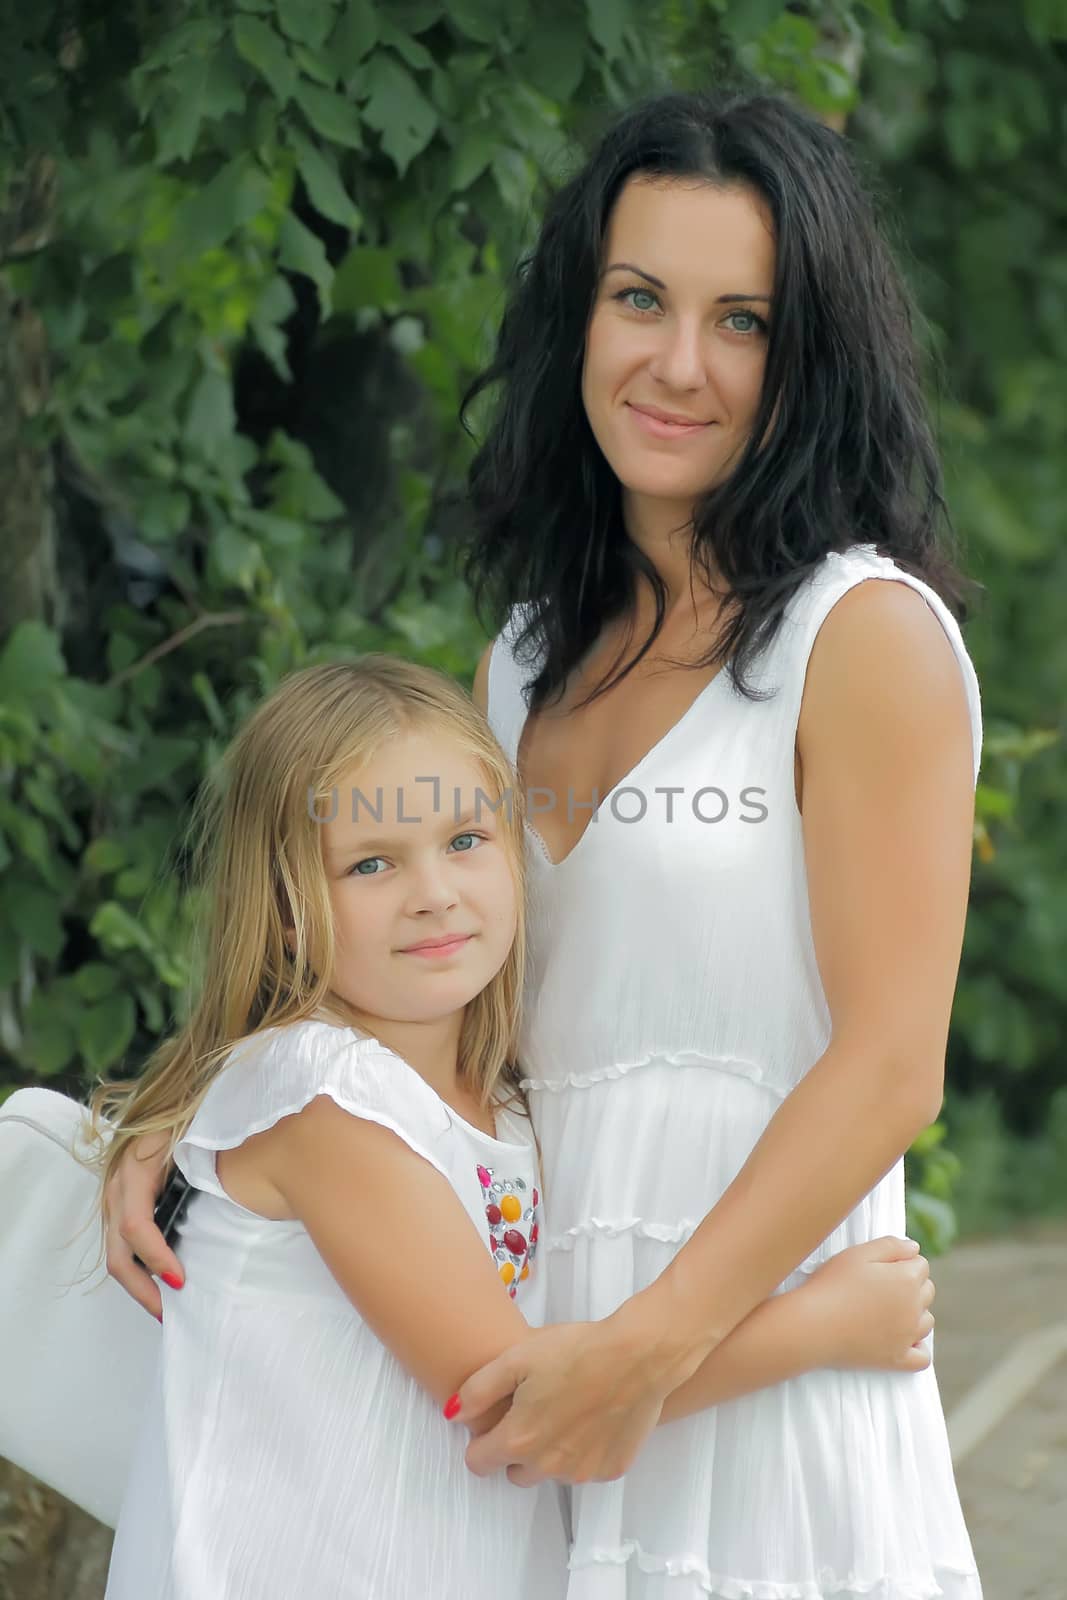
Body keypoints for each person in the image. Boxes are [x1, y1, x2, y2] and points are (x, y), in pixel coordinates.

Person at [103, 86, 981, 1598]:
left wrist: (651, 1347)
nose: (676, 364)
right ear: (580, 310)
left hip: (740, 1337)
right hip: (529, 1327)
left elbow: (890, 1064)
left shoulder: (865, 635)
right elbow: (416, 989)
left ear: (808, 357)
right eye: (638, 298)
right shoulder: (521, 658)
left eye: (744, 322)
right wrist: (174, 1119)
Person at [91, 655, 934, 1600]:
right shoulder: (324, 1096)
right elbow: (516, 1407)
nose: (433, 893)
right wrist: (819, 1327)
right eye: (370, 863)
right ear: (287, 910)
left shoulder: (501, 1101)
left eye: (464, 840)